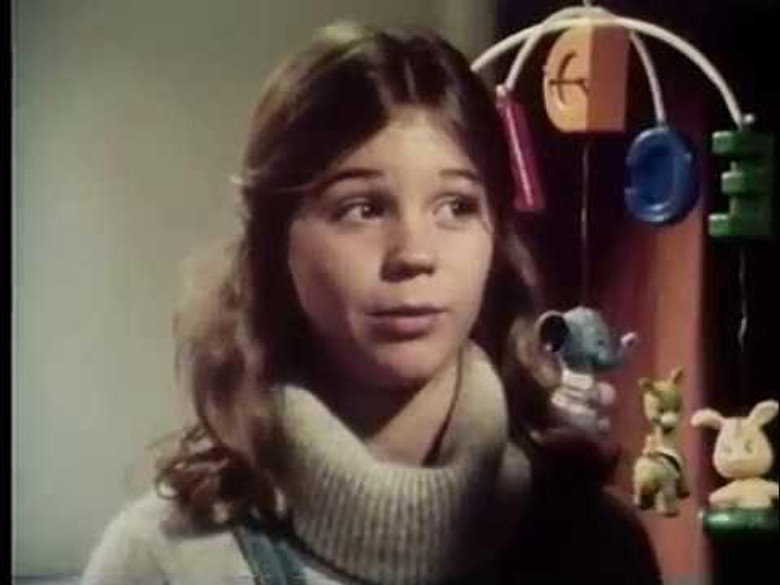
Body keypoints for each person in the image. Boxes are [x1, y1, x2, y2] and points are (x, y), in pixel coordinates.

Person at [83, 21, 662, 585]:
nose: (414, 254)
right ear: (274, 244)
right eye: (362, 208)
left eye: (456, 207)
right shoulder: (163, 561)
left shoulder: (599, 548)